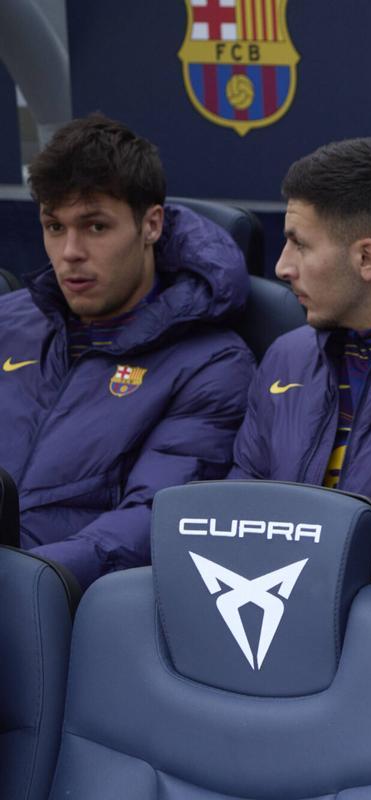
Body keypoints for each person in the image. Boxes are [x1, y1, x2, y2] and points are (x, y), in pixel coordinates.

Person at [1, 113, 254, 588]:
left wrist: (26, 579)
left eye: (95, 227)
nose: (70, 252)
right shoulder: (8, 320)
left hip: (64, 600)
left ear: (151, 224)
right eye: (54, 227)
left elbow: (154, 517)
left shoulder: (212, 363)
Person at [228, 138, 371, 577]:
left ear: (367, 258)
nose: (281, 267)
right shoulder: (287, 356)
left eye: (299, 244)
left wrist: (350, 605)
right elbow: (239, 515)